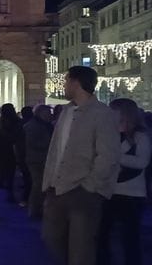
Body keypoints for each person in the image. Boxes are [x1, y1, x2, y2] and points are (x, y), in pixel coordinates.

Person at [41, 66, 120, 265]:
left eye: (66, 80)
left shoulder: (102, 114)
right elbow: (56, 150)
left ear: (76, 83)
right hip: (57, 188)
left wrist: (90, 186)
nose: (64, 85)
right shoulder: (66, 111)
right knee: (51, 237)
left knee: (81, 249)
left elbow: (108, 155)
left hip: (83, 191)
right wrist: (48, 181)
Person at [96, 98, 149, 265]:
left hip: (131, 194)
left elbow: (142, 162)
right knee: (101, 235)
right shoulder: (110, 133)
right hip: (109, 190)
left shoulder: (141, 136)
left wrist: (115, 156)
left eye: (113, 110)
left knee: (129, 238)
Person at [24, 104, 54, 219]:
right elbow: (32, 143)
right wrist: (49, 145)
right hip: (36, 158)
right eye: (47, 113)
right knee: (38, 184)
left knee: (41, 184)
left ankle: (38, 208)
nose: (49, 115)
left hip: (41, 158)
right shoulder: (34, 126)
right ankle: (35, 209)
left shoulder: (44, 125)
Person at [0, 103, 23, 203]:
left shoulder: (0, 122)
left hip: (2, 149)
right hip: (13, 148)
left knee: (4, 168)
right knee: (11, 171)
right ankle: (9, 190)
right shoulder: (17, 122)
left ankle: (3, 183)